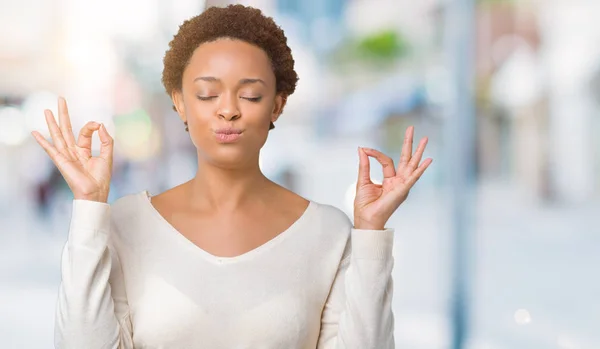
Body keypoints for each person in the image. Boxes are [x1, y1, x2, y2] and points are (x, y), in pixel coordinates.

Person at [31, 4, 432, 349]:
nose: (228, 110)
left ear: (277, 105)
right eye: (207, 94)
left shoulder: (328, 233)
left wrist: (370, 232)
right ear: (180, 103)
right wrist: (87, 207)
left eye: (251, 95)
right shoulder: (124, 223)